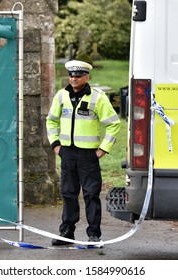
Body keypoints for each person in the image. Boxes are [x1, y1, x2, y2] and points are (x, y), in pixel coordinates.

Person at [46, 60, 121, 245]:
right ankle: (67, 232)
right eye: (71, 75)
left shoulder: (97, 98)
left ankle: (94, 234)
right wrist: (55, 144)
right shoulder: (61, 96)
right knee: (68, 193)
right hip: (67, 153)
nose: (73, 78)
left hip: (88, 155)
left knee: (91, 194)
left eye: (78, 75)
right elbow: (51, 121)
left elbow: (113, 123)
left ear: (86, 77)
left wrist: (104, 148)